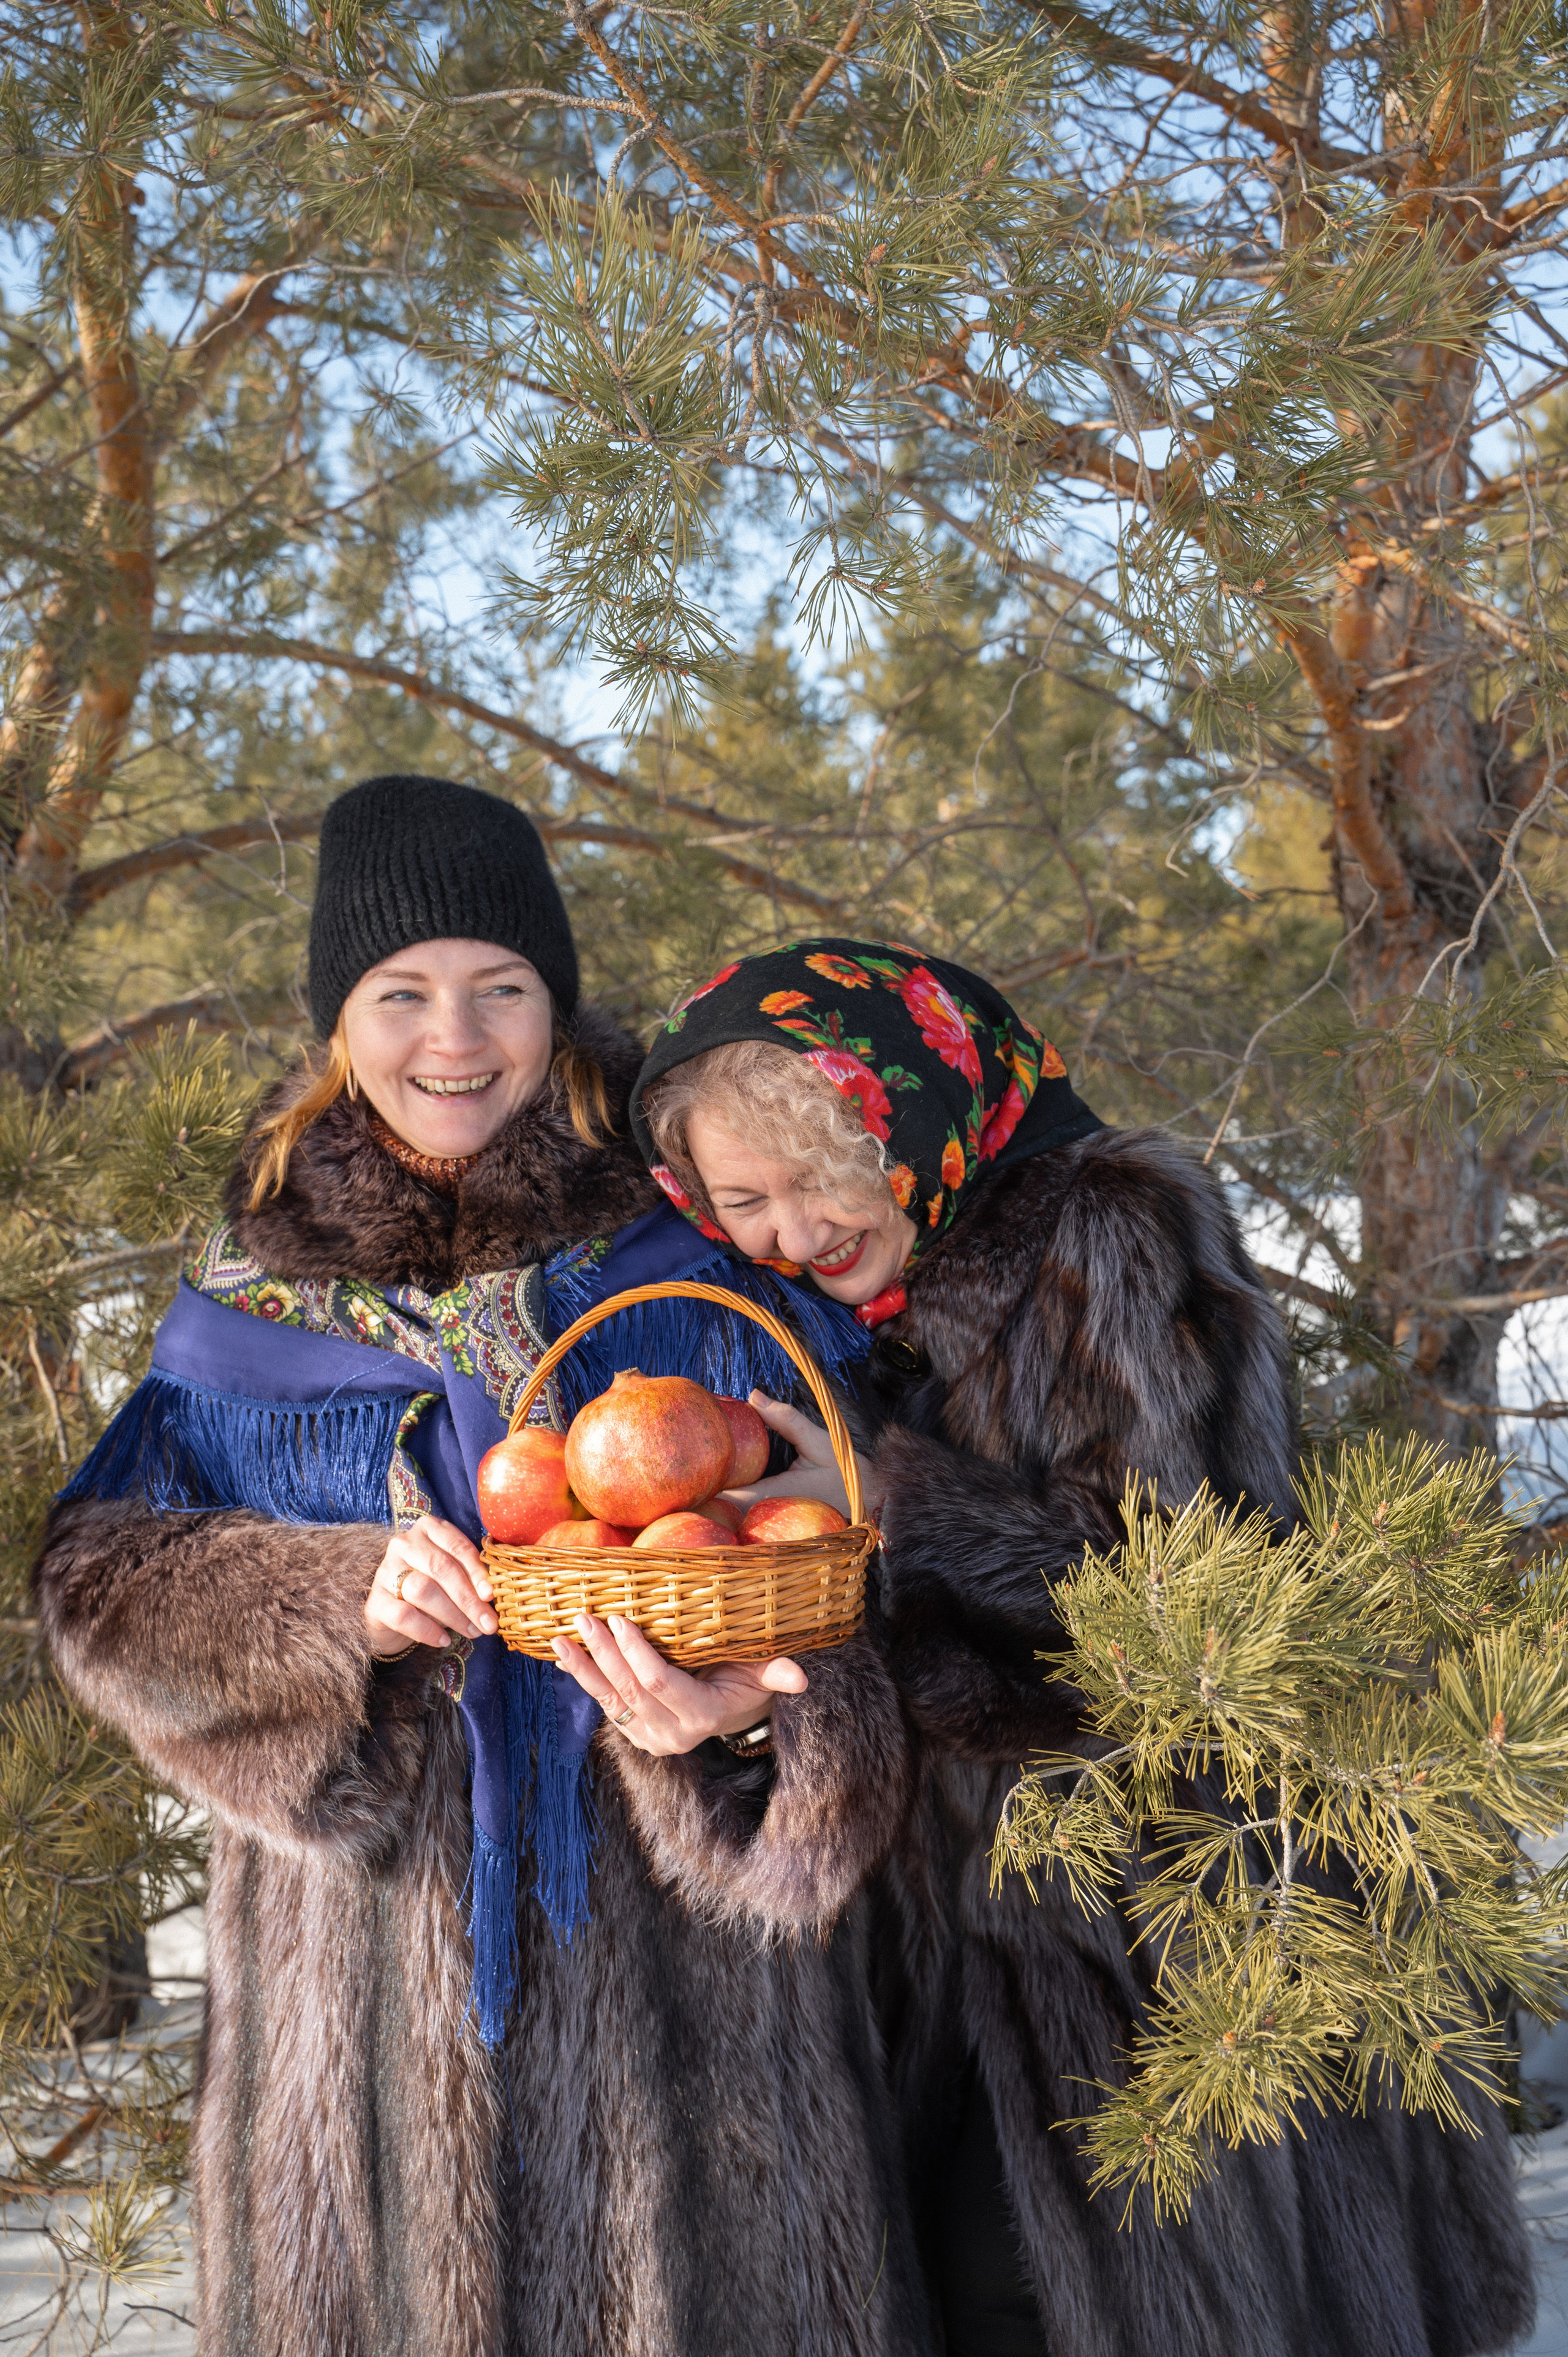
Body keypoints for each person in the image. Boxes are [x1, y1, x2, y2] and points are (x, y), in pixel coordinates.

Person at [34, 796, 932, 2357]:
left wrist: (747, 1720)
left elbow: (860, 1575)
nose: (453, 1037)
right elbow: (104, 1588)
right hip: (357, 2027)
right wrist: (335, 1602)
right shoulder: (249, 1299)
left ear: (554, 1005)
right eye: (401, 992)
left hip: (696, 2028)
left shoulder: (695, 1264)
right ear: (339, 1021)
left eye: (500, 986)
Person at [600, 937, 1534, 2357]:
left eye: (822, 1172)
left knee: (1128, 2291)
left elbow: (1182, 1595)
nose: (792, 1228)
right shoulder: (830, 1313)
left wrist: (883, 1501)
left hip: (1168, 1900)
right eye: (744, 1200)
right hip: (964, 1926)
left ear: (906, 1119)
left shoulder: (1108, 1228)